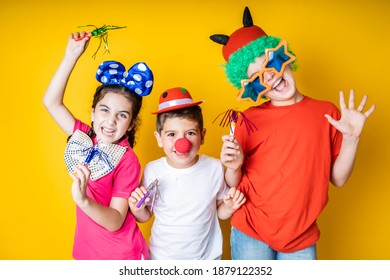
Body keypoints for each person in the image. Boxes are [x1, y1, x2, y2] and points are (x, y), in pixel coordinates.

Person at [210, 7, 376, 260]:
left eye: (271, 64)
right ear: (253, 89)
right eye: (257, 78)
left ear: (284, 57)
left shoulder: (327, 113)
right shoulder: (248, 119)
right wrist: (233, 166)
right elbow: (234, 182)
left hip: (301, 235)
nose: (270, 77)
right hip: (251, 229)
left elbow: (338, 179)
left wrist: (352, 140)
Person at [43, 31, 154, 259]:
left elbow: (115, 221)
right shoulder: (84, 137)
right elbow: (51, 102)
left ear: (132, 123)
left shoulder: (127, 160)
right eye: (105, 110)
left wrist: (83, 199)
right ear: (93, 113)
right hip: (85, 253)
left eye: (122, 115)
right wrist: (71, 56)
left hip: (120, 256)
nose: (111, 121)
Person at [129, 87, 246, 260]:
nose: (181, 143)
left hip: (205, 260)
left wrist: (229, 206)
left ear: (202, 136)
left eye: (190, 133)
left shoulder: (214, 167)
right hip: (161, 259)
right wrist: (135, 207)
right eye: (171, 134)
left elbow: (219, 212)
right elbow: (146, 216)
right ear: (159, 138)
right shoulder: (152, 170)